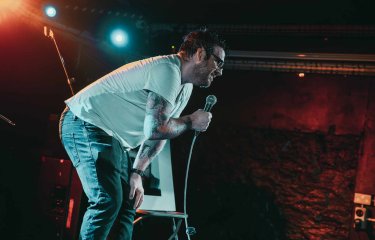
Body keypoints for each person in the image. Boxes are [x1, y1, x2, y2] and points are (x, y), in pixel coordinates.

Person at [59, 28, 226, 240]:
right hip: (85, 122)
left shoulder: (185, 87)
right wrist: (190, 121)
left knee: (128, 203)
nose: (220, 71)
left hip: (112, 138)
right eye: (218, 62)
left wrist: (137, 172)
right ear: (200, 54)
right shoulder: (168, 70)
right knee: (107, 199)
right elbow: (156, 128)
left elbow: (158, 135)